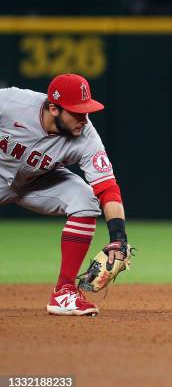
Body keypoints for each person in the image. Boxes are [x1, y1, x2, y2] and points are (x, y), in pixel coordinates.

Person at [0, 73, 129, 316]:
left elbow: (107, 188)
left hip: (37, 183)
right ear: (54, 109)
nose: (84, 119)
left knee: (85, 199)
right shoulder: (11, 102)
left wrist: (119, 237)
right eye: (77, 112)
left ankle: (64, 292)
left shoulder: (87, 137)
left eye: (86, 111)